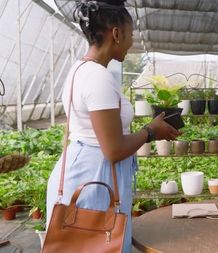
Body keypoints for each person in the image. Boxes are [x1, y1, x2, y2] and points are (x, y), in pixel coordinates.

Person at [45, 1, 180, 252]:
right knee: (103, 244)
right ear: (116, 33)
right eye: (130, 34)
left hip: (82, 172)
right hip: (96, 181)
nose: (131, 42)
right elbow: (113, 149)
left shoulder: (80, 69)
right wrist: (150, 131)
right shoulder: (99, 77)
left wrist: (148, 132)